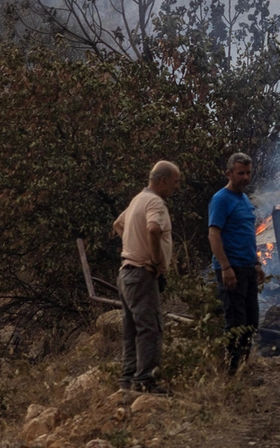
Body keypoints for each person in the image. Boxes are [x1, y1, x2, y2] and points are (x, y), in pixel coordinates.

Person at [113, 160, 182, 393]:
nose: (177, 186)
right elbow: (153, 229)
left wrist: (133, 245)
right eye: (175, 182)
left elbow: (118, 224)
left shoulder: (138, 199)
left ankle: (127, 380)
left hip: (126, 272)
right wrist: (155, 261)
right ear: (163, 181)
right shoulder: (155, 202)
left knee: (132, 329)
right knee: (150, 328)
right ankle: (145, 381)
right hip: (142, 273)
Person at [208, 152, 264, 374]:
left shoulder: (244, 199)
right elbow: (214, 234)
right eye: (240, 173)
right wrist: (225, 267)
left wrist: (257, 263)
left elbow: (248, 234)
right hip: (232, 270)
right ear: (229, 173)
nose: (245, 178)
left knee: (251, 322)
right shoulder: (221, 199)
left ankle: (242, 368)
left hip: (248, 268)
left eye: (248, 173)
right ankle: (231, 373)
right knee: (236, 323)